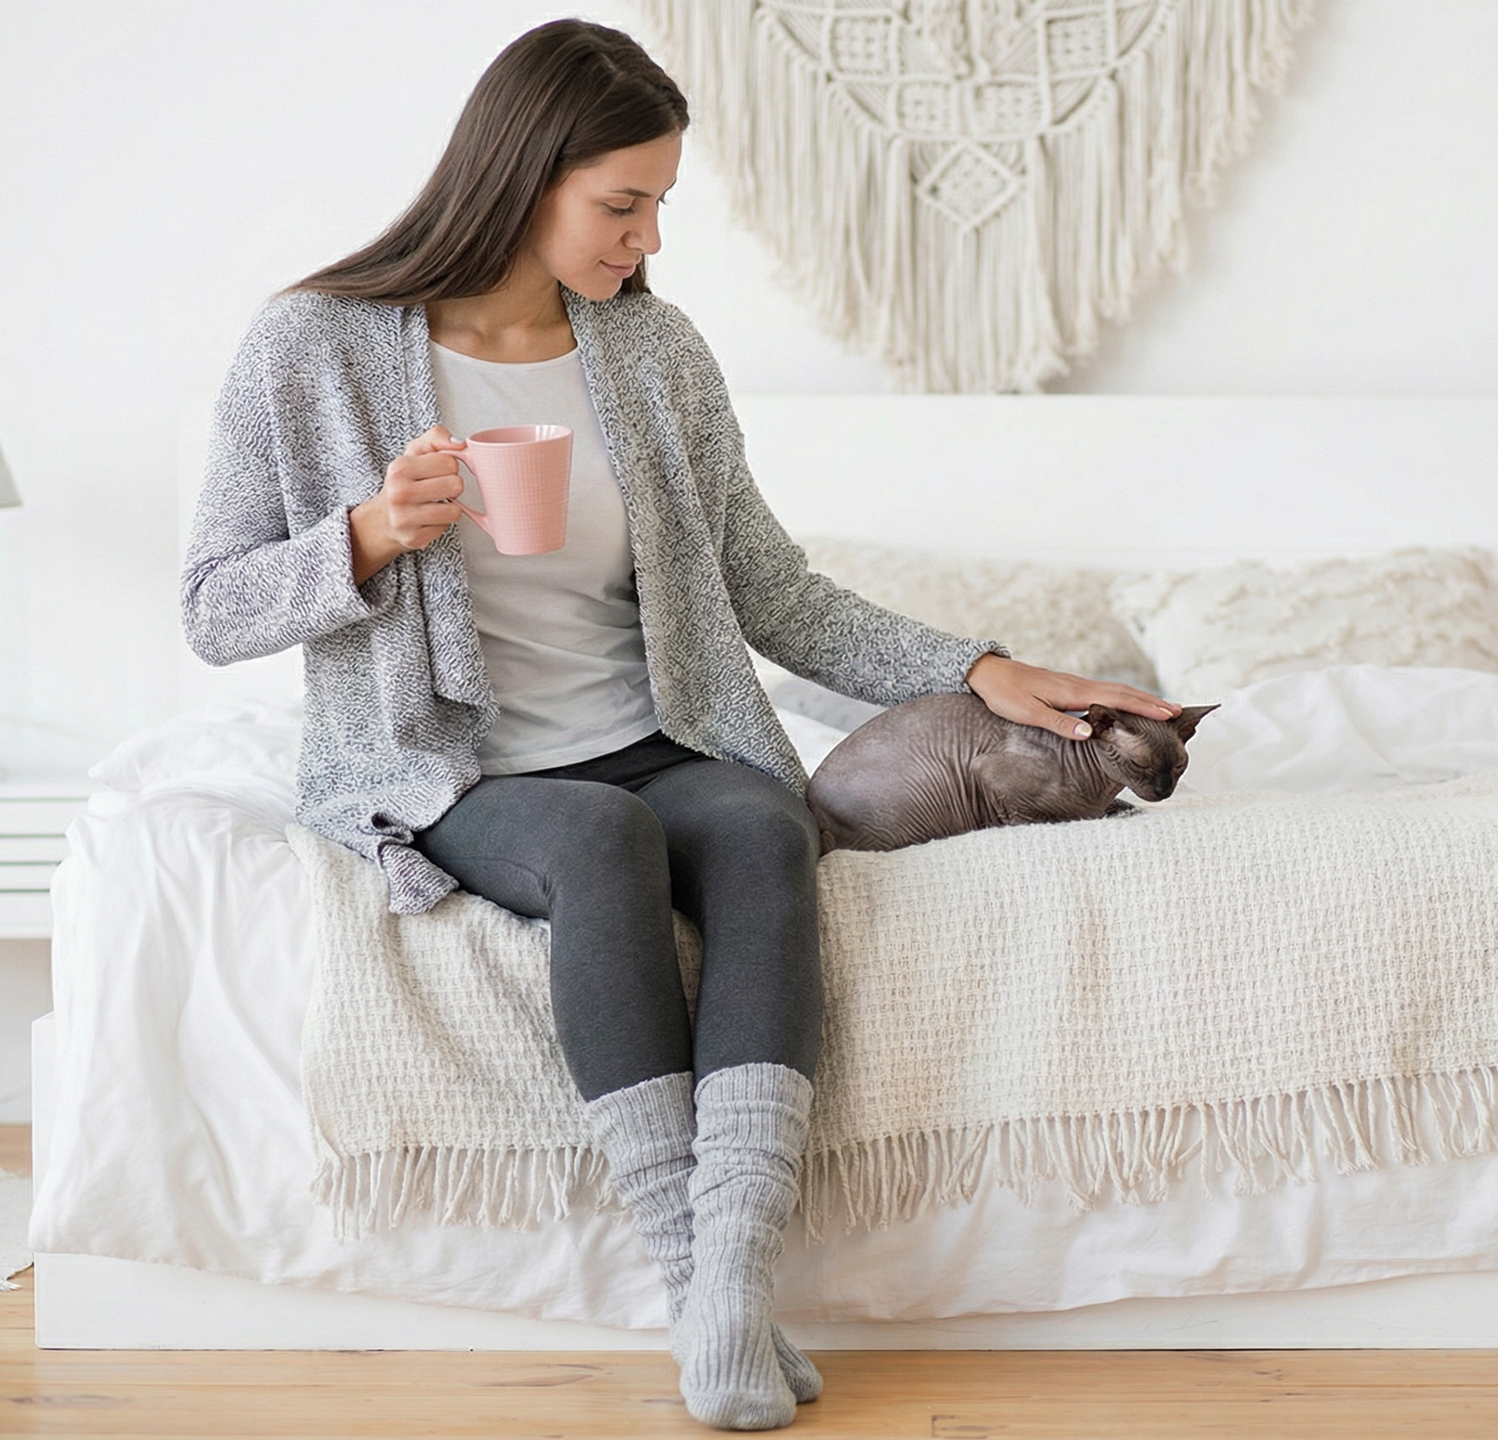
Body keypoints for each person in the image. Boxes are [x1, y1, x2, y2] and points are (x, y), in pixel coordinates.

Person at [181, 18, 1175, 1432]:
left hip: (654, 734)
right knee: (597, 841)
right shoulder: (315, 346)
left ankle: (730, 1291)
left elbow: (769, 589)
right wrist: (362, 536)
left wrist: (983, 670)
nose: (649, 242)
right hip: (458, 766)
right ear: (521, 177)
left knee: (764, 822)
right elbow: (214, 606)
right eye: (623, 204)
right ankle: (686, 1264)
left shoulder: (653, 356)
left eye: (659, 206)